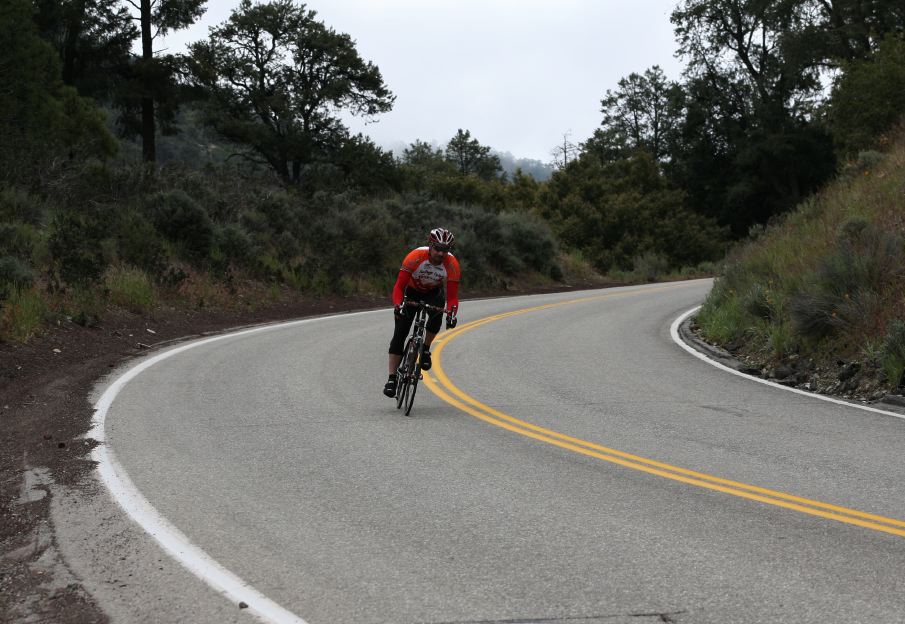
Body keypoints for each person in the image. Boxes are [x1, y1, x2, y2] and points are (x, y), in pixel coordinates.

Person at [383, 227, 460, 397]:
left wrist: (452, 314)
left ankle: (425, 349)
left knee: (439, 310)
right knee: (400, 334)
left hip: (433, 293)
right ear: (430, 245)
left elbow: (452, 297)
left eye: (445, 250)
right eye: (438, 248)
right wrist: (398, 305)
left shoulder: (452, 264)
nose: (441, 253)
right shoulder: (415, 257)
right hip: (411, 292)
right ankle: (392, 378)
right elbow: (399, 286)